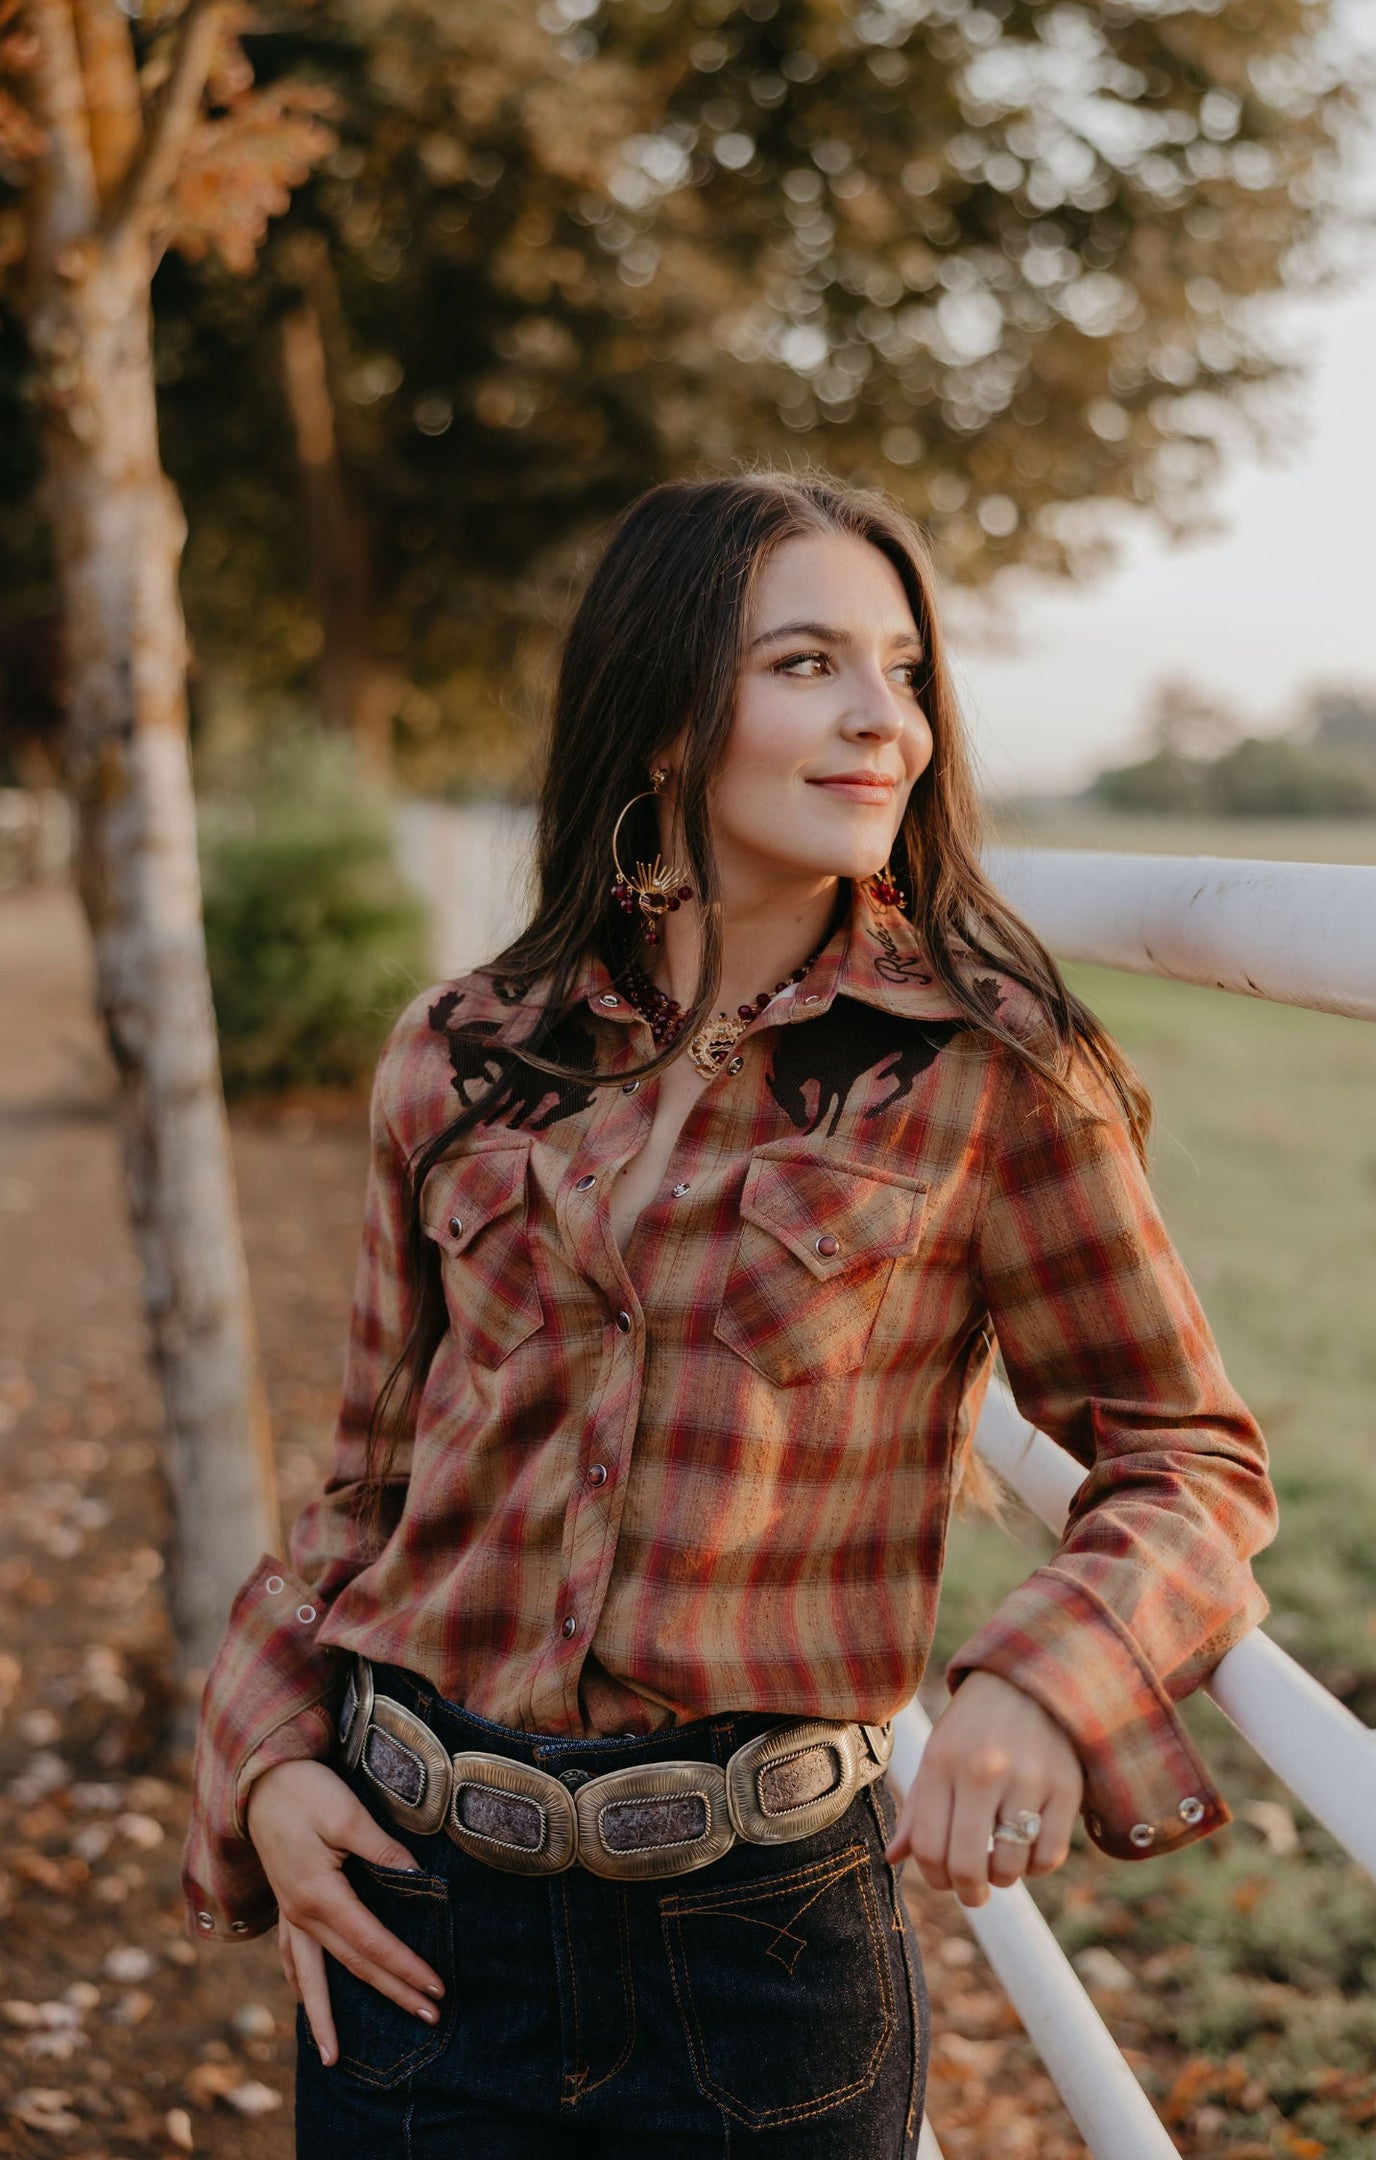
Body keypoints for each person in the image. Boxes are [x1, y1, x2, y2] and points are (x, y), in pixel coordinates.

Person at [181, 470, 1277, 2158]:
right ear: (667, 715)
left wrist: (1042, 1679)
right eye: (807, 666)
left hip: (760, 1972)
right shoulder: (466, 1051)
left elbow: (1188, 1457)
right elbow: (365, 1490)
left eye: (905, 671)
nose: (883, 724)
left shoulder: (985, 1073)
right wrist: (268, 1756)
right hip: (415, 1923)